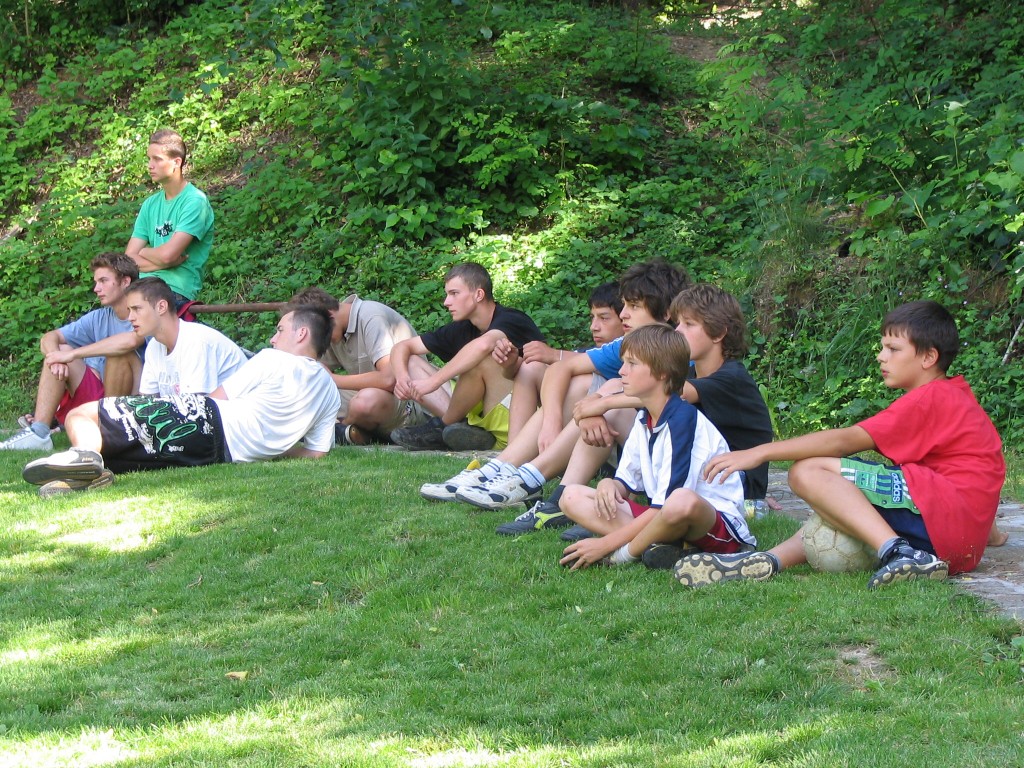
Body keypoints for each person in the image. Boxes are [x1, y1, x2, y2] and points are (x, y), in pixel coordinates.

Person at [674, 300, 1006, 589]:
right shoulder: (955, 395)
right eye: (882, 347)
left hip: (940, 522)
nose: (881, 357)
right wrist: (990, 535)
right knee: (844, 504)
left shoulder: (931, 397)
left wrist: (759, 452)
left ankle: (898, 551)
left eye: (893, 349)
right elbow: (977, 478)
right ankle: (767, 561)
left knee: (809, 471)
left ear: (929, 357)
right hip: (957, 540)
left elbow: (844, 441)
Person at [505, 282, 775, 542]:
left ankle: (576, 506)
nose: (678, 331)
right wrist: (593, 412)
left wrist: (602, 404)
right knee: (614, 407)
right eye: (678, 323)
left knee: (614, 409)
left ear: (718, 334)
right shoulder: (692, 372)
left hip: (730, 481)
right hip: (685, 474)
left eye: (689, 324)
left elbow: (673, 394)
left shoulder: (731, 377)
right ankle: (570, 502)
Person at [423, 260, 688, 518]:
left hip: (659, 449)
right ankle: (505, 469)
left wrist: (599, 404)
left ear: (666, 313)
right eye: (624, 305)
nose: (624, 314)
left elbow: (675, 396)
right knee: (557, 375)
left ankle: (526, 478)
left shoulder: (679, 348)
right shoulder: (628, 344)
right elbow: (561, 367)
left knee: (605, 386)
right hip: (619, 438)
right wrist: (552, 421)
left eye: (634, 306)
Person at [22, 305, 342, 496]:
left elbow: (216, 398)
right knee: (118, 446)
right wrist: (268, 450)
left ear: (301, 334)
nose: (273, 338)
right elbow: (316, 453)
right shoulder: (329, 390)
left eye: (280, 330)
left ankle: (82, 458)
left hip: (206, 420)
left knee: (81, 415)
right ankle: (89, 473)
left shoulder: (273, 358)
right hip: (218, 455)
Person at [558, 324, 752, 570]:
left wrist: (606, 545)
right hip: (666, 518)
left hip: (713, 524)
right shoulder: (644, 418)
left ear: (662, 373)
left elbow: (668, 505)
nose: (621, 371)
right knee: (571, 496)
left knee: (681, 500)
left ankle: (626, 554)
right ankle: (664, 547)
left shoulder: (682, 420)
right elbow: (626, 484)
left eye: (632, 364)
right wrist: (609, 484)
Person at [388, 262, 546, 451]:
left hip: (524, 418)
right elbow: (402, 347)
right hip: (484, 410)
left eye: (454, 293)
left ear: (479, 295)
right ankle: (461, 429)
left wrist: (433, 382)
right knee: (412, 362)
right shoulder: (463, 327)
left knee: (482, 358)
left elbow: (484, 345)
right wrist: (402, 378)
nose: (446, 302)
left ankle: (443, 427)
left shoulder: (511, 319)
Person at [0, 253, 144, 452]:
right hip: (101, 397)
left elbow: (131, 341)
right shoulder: (99, 317)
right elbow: (49, 337)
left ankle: (110, 429)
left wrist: (73, 355)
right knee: (58, 350)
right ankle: (40, 432)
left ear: (125, 281)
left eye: (103, 281)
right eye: (96, 282)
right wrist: (57, 358)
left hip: (131, 403)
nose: (96, 288)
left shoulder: (144, 311)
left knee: (119, 354)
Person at [289, 287, 450, 445]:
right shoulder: (334, 329)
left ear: (329, 314)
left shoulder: (370, 316)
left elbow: (388, 380)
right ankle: (353, 432)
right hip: (373, 399)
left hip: (407, 400)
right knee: (304, 394)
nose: (319, 337)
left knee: (365, 402)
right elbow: (314, 370)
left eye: (317, 330)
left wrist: (332, 379)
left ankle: (340, 430)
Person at [505, 282, 624, 441]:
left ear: (626, 317)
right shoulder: (595, 351)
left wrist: (555, 354)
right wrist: (509, 364)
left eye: (604, 318)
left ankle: (529, 451)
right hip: (585, 421)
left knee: (580, 381)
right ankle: (514, 447)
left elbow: (567, 365)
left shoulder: (634, 348)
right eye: (592, 317)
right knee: (531, 367)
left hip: (617, 426)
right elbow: (560, 367)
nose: (593, 327)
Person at [125, 129, 214, 305]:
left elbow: (168, 255)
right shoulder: (150, 204)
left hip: (175, 291)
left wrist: (144, 252)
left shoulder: (195, 202)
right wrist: (163, 262)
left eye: (157, 159)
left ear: (176, 162)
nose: (150, 165)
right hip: (143, 287)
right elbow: (128, 260)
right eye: (149, 159)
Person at [128, 277, 247, 397]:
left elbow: (194, 405)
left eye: (137, 309)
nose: (130, 318)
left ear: (162, 307)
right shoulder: (154, 346)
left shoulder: (196, 341)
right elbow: (147, 401)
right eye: (129, 310)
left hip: (240, 406)